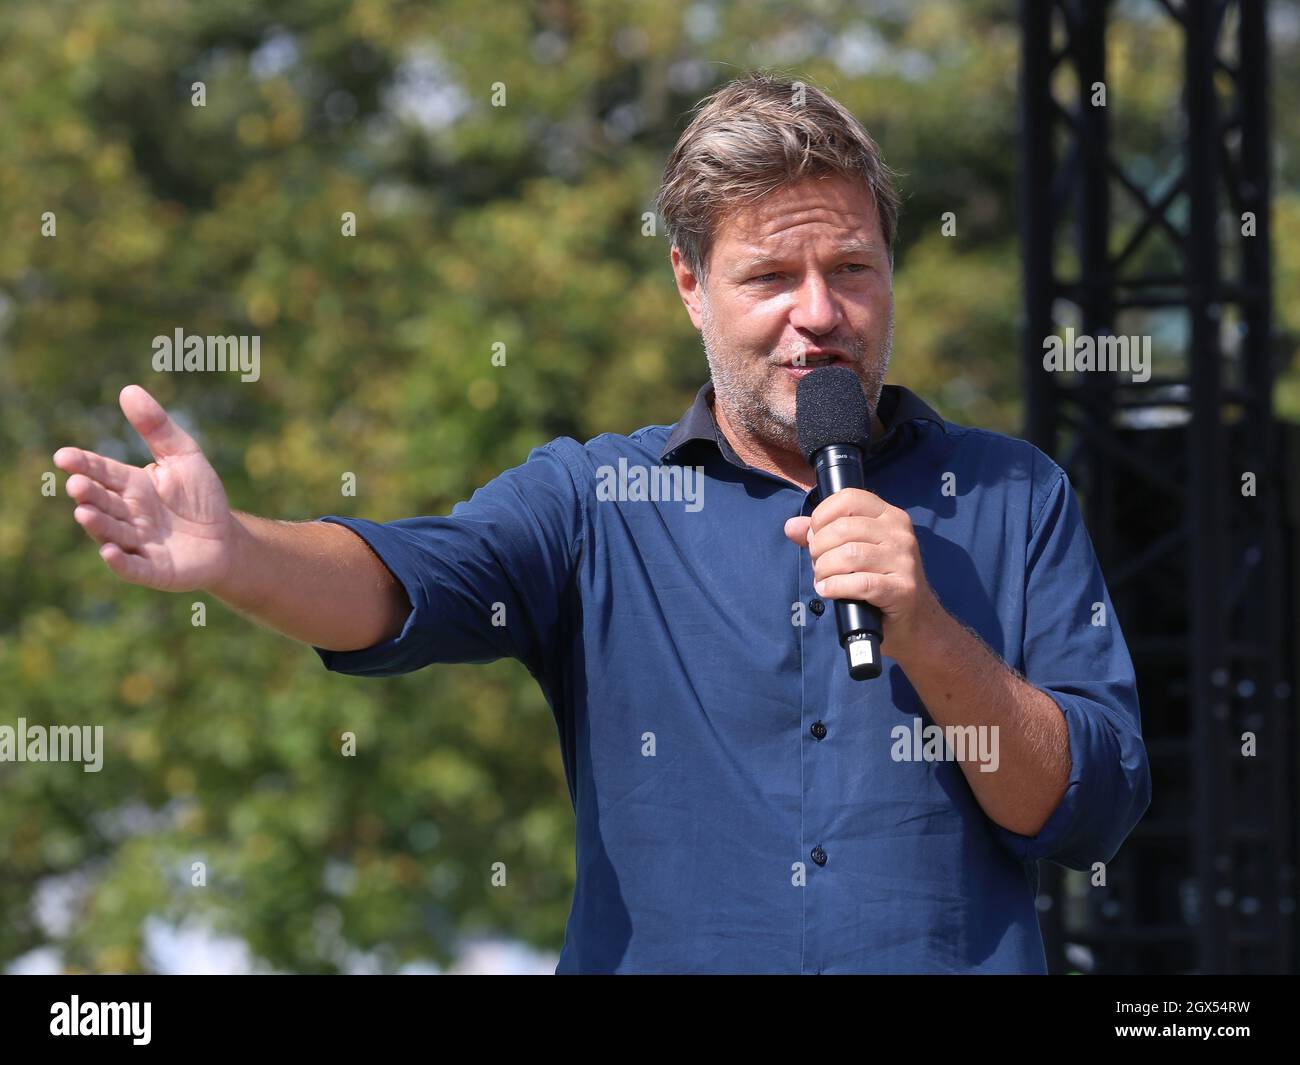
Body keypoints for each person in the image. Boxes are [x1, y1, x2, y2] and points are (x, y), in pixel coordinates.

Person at [54, 73, 1150, 973]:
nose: (819, 313)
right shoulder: (595, 503)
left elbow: (1088, 807)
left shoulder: (1012, 496)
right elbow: (406, 584)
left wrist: (928, 634)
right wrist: (239, 553)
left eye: (850, 270)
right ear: (689, 284)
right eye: (770, 276)